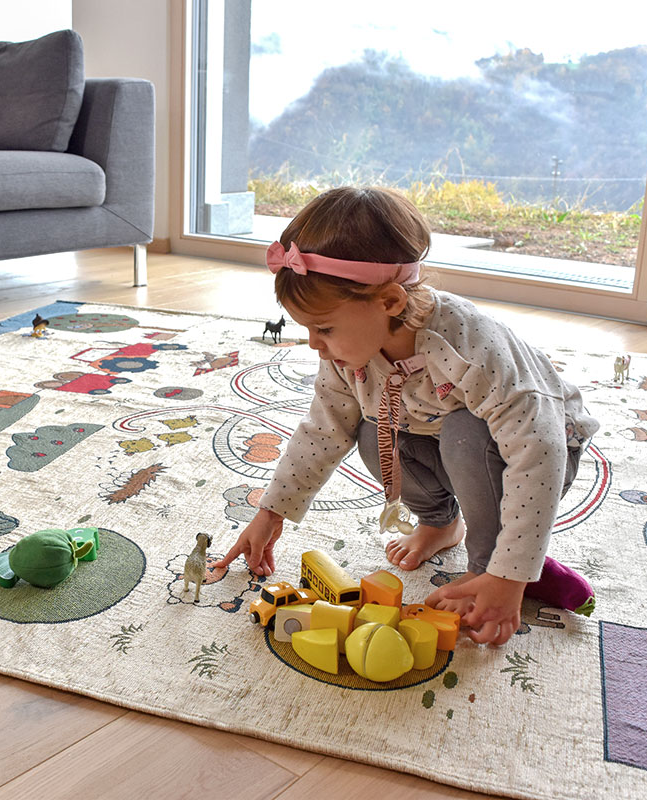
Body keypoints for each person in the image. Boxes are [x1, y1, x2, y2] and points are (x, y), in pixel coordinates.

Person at [212, 187, 599, 646]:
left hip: (541, 452)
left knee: (464, 431)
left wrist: (509, 576)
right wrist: (270, 514)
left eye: (325, 328)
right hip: (436, 438)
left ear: (391, 302)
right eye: (308, 329)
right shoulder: (346, 354)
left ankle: (489, 568)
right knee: (370, 431)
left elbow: (540, 452)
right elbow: (321, 431)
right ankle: (440, 523)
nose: (315, 343)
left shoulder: (470, 346)